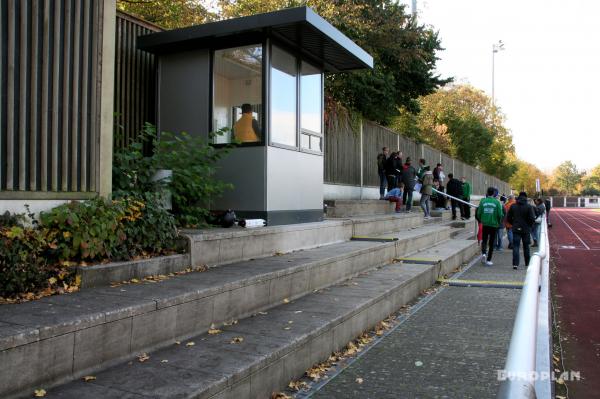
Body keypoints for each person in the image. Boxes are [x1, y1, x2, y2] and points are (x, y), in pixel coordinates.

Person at [507, 192, 536, 270]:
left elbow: (508, 217)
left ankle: (515, 264)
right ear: (526, 198)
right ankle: (527, 262)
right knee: (526, 246)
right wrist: (529, 226)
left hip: (516, 228)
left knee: (516, 246)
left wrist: (513, 224)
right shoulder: (529, 207)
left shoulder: (513, 206)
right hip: (526, 229)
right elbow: (532, 219)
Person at [476, 187, 504, 266]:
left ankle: (484, 253)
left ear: (487, 193)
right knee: (491, 243)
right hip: (494, 225)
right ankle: (488, 260)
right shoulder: (497, 202)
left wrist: (482, 219)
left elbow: (478, 213)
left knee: (484, 240)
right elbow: (500, 214)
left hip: (485, 224)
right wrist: (498, 222)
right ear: (494, 193)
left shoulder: (483, 201)